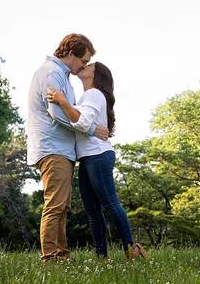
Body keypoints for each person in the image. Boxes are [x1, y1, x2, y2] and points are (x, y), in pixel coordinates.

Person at [47, 62, 147, 261]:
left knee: (110, 203)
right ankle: (102, 256)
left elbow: (82, 123)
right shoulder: (86, 96)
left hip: (98, 155)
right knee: (92, 211)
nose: (85, 65)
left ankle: (132, 249)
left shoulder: (94, 94)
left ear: (96, 74)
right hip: (87, 157)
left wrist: (61, 100)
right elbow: (80, 120)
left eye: (89, 65)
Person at [27, 33, 108, 262]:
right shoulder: (52, 73)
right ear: (71, 53)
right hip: (53, 147)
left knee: (62, 205)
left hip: (60, 148)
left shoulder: (60, 75)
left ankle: (61, 255)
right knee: (55, 205)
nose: (83, 66)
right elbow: (57, 114)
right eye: (83, 61)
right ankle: (50, 257)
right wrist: (92, 128)